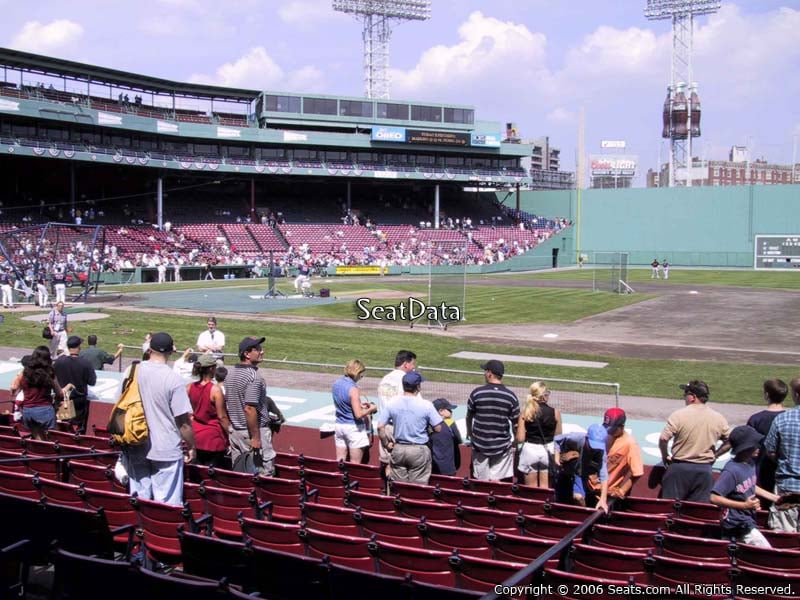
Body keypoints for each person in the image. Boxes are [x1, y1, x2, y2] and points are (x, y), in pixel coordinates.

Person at [124, 332, 196, 506]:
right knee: (166, 507)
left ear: (149, 349)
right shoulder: (174, 379)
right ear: (171, 351)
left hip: (136, 442)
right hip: (166, 448)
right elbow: (184, 423)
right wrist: (192, 446)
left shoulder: (132, 370)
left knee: (139, 501)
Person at [659, 380, 731, 502]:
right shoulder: (718, 418)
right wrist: (715, 455)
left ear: (693, 397)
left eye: (685, 394)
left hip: (679, 469)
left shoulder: (679, 415)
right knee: (696, 513)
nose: (684, 397)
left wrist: (665, 455)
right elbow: (730, 441)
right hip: (704, 471)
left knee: (670, 510)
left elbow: (663, 438)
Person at [710, 425, 779, 547]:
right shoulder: (731, 470)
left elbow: (750, 484)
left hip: (745, 520)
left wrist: (774, 498)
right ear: (744, 447)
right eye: (754, 444)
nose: (758, 447)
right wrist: (744, 505)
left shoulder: (750, 463)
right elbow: (714, 497)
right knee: (767, 553)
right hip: (734, 523)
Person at [225, 336, 280, 476]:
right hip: (253, 433)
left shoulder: (230, 373)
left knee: (240, 477)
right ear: (247, 354)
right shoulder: (254, 377)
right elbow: (249, 409)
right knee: (263, 475)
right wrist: (255, 438)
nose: (262, 352)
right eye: (258, 349)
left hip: (235, 432)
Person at [377, 371, 442, 485]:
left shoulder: (392, 403)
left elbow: (380, 427)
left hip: (399, 449)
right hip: (419, 449)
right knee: (417, 489)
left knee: (399, 488)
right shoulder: (426, 405)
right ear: (418, 387)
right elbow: (438, 428)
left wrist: (386, 444)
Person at [466, 360, 520, 482]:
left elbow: (469, 415)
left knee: (481, 483)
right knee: (497, 484)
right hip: (502, 446)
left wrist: (470, 432)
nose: (484, 374)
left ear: (490, 373)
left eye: (485, 371)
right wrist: (516, 441)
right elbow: (515, 423)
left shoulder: (477, 393)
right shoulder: (510, 396)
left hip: (480, 445)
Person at [764, 377, 800, 532]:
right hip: (787, 488)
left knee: (784, 541)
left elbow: (770, 451)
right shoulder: (782, 418)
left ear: (796, 396)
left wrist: (786, 461)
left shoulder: (783, 419)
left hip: (787, 488)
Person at [9, 346, 65, 439]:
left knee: (39, 440)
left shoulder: (25, 372)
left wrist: (19, 376)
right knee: (55, 438)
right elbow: (59, 393)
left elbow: (13, 390)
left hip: (28, 411)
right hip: (45, 410)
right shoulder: (49, 372)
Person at [747, 378, 787, 508]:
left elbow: (748, 445)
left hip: (760, 469)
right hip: (782, 469)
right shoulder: (788, 418)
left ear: (767, 395)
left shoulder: (756, 419)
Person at [377, 350, 418, 476]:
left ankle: (387, 491)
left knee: (388, 464)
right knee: (402, 466)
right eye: (412, 364)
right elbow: (416, 405)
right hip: (400, 428)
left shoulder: (385, 379)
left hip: (385, 427)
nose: (414, 367)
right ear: (406, 364)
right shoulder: (407, 381)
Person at [554, 424, 609, 513]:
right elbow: (557, 440)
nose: (595, 450)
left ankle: (584, 514)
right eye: (593, 446)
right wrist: (557, 457)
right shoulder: (577, 438)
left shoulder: (601, 453)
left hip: (582, 471)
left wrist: (603, 499)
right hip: (568, 467)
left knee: (578, 497)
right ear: (587, 438)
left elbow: (604, 476)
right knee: (561, 496)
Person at [187, 354, 230, 468]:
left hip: (196, 435)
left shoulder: (189, 387)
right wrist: (230, 433)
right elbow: (222, 417)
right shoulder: (215, 390)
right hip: (213, 437)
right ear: (211, 369)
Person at [516, 381, 561, 488]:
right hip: (547, 450)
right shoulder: (555, 412)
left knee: (531, 491)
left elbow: (521, 438)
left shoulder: (525, 412)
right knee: (545, 490)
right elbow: (558, 436)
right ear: (544, 396)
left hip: (530, 450)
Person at [332, 359, 378, 464]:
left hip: (339, 426)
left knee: (340, 462)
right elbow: (358, 415)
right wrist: (371, 408)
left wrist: (357, 405)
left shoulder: (336, 384)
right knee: (355, 465)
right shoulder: (353, 389)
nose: (361, 377)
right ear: (357, 373)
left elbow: (343, 403)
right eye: (361, 375)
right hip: (353, 429)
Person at [595, 407, 643, 499]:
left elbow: (638, 472)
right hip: (590, 487)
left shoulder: (630, 443)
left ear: (621, 426)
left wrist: (622, 490)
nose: (609, 432)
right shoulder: (603, 434)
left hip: (606, 492)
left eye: (612, 429)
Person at [54, 336, 97, 434]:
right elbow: (92, 382)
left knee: (64, 429)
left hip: (65, 399)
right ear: (79, 347)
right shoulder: (85, 363)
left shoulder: (59, 361)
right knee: (77, 430)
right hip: (78, 401)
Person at [430, 398, 462, 476]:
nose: (451, 411)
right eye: (449, 409)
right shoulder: (449, 422)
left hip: (432, 466)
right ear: (441, 411)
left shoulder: (429, 423)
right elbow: (459, 439)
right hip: (448, 467)